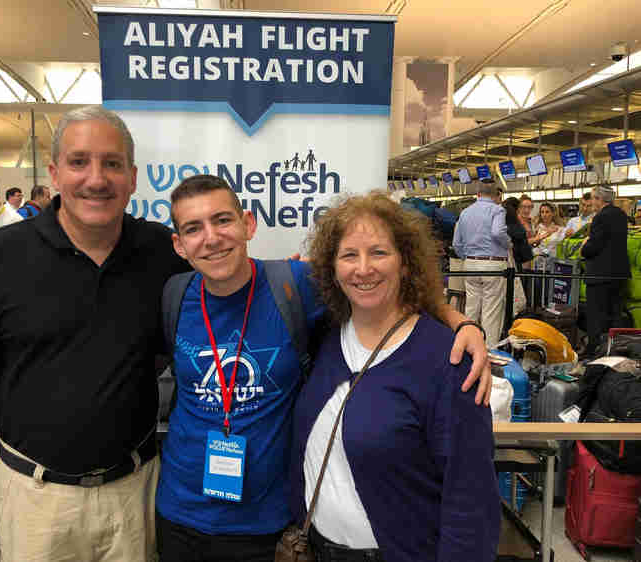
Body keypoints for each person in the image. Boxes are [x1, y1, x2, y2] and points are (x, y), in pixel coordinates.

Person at [156, 176, 492, 562]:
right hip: (180, 514)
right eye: (194, 229)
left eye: (222, 220)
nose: (212, 238)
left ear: (248, 224)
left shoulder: (293, 287)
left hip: (266, 525)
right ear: (179, 244)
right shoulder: (173, 296)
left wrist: (462, 324)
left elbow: (384, 294)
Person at [0, 106, 191, 562]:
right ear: (55, 173)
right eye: (79, 162)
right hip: (36, 502)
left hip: (134, 496)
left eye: (112, 163)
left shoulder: (161, 252)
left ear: (133, 177)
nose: (96, 179)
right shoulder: (2, 256)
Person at [290, 192, 500, 562]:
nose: (363, 268)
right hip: (315, 549)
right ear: (332, 268)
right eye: (349, 255)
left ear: (406, 263)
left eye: (379, 253)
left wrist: (466, 325)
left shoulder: (448, 361)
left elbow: (470, 500)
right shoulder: (324, 336)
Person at [453, 181, 511, 346]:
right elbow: (497, 231)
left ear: (477, 194)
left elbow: (457, 244)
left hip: (470, 265)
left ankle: (468, 346)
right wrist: (508, 243)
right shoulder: (497, 210)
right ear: (495, 196)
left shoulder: (464, 212)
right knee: (491, 311)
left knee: (471, 309)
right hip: (493, 266)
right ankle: (488, 353)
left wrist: (469, 257)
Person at [580, 185, 630, 357]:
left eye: (593, 198)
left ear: (599, 200)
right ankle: (615, 351)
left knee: (596, 317)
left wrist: (584, 246)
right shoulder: (621, 215)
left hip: (600, 276)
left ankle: (595, 352)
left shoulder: (601, 217)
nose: (592, 202)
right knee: (615, 314)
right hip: (619, 275)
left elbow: (593, 248)